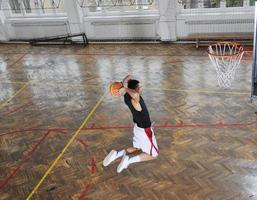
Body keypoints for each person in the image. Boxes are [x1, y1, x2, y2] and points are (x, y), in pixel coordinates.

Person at [103, 75, 159, 173]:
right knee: (154, 155)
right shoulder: (135, 99)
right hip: (145, 130)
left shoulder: (126, 97)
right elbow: (135, 95)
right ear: (135, 89)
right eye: (139, 86)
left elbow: (129, 77)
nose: (141, 88)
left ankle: (116, 154)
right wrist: (124, 87)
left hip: (138, 128)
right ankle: (128, 160)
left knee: (137, 149)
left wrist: (122, 84)